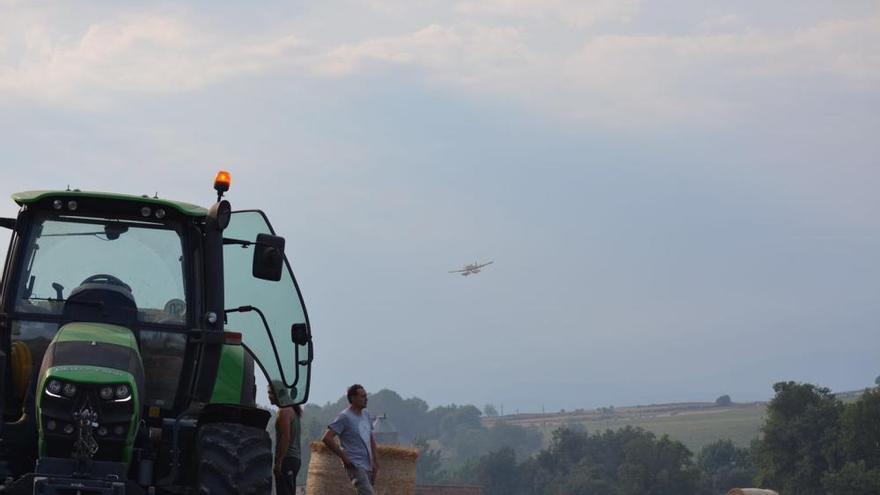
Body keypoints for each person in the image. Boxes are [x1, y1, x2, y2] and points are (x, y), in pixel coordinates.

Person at [322, 384, 379, 495]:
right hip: (355, 465)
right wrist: (344, 457)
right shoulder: (344, 417)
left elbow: (371, 438)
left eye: (366, 396)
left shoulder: (366, 415)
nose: (366, 399)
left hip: (368, 464)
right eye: (362, 396)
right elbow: (327, 438)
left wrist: (375, 461)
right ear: (353, 398)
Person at [269, 387, 302, 495]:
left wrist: (279, 462)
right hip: (295, 459)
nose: (269, 396)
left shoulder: (284, 411)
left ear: (279, 394)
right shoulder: (293, 410)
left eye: (271, 393)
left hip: (287, 459)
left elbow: (286, 438)